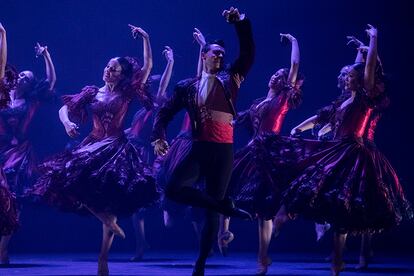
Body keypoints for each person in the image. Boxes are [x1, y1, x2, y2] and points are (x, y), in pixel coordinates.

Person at [280, 25, 412, 275]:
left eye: (352, 75)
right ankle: (335, 255)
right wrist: (299, 127)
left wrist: (373, 40)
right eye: (347, 76)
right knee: (328, 199)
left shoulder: (365, 97)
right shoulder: (342, 102)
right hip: (337, 151)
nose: (347, 78)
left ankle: (350, 255)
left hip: (357, 153)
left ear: (360, 80)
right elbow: (321, 117)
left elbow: (369, 68)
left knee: (353, 206)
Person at [30, 25, 159, 275]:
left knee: (109, 201)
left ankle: (103, 258)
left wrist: (146, 38)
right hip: (92, 142)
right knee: (65, 176)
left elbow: (148, 67)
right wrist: (67, 123)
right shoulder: (92, 92)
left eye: (115, 69)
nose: (108, 71)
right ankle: (106, 219)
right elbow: (63, 109)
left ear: (122, 75)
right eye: (108, 67)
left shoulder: (127, 92)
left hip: (115, 146)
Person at [151, 6, 255, 276]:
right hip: (199, 147)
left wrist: (240, 23)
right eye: (215, 53)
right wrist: (158, 137)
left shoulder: (231, 79)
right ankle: (223, 205)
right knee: (173, 189)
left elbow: (247, 53)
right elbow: (164, 112)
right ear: (204, 56)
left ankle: (200, 264)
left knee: (210, 214)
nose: (220, 56)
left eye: (222, 53)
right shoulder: (187, 86)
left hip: (223, 151)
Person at [223, 33, 302, 275]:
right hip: (252, 150)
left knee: (264, 209)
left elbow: (294, 66)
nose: (276, 76)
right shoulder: (258, 102)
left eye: (281, 75)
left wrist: (293, 42)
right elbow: (237, 120)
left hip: (271, 150)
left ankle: (263, 255)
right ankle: (224, 231)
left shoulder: (283, 99)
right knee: (228, 185)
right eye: (275, 73)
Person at [0, 22, 56, 264]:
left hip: (19, 153)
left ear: (30, 84)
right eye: (21, 73)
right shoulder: (3, 92)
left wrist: (46, 55)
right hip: (1, 148)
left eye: (26, 76)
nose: (21, 75)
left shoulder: (33, 101)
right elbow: (2, 66)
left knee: (14, 197)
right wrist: (3, 34)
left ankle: (3, 249)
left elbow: (50, 81)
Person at [126, 46, 174, 261]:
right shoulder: (141, 109)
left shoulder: (159, 105)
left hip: (150, 153)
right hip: (135, 152)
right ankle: (141, 243)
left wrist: (170, 63)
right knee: (136, 204)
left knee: (156, 189)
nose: (151, 87)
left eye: (154, 84)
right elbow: (133, 129)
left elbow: (163, 84)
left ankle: (169, 208)